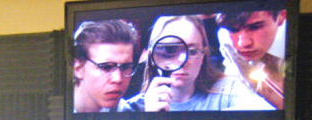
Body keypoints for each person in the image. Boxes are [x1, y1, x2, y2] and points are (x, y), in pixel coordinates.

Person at [122, 15, 271, 112]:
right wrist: (149, 119)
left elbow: (266, 113)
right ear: (153, 56)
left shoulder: (228, 90)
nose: (182, 61)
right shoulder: (132, 108)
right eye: (170, 49)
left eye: (192, 51)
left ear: (203, 55)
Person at [215, 10, 287, 109]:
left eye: (255, 27)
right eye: (233, 29)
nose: (243, 43)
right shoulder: (226, 37)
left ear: (282, 16)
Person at [73, 20, 140, 113]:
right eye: (106, 67)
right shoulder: (57, 108)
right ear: (78, 69)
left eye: (125, 67)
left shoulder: (132, 113)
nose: (118, 79)